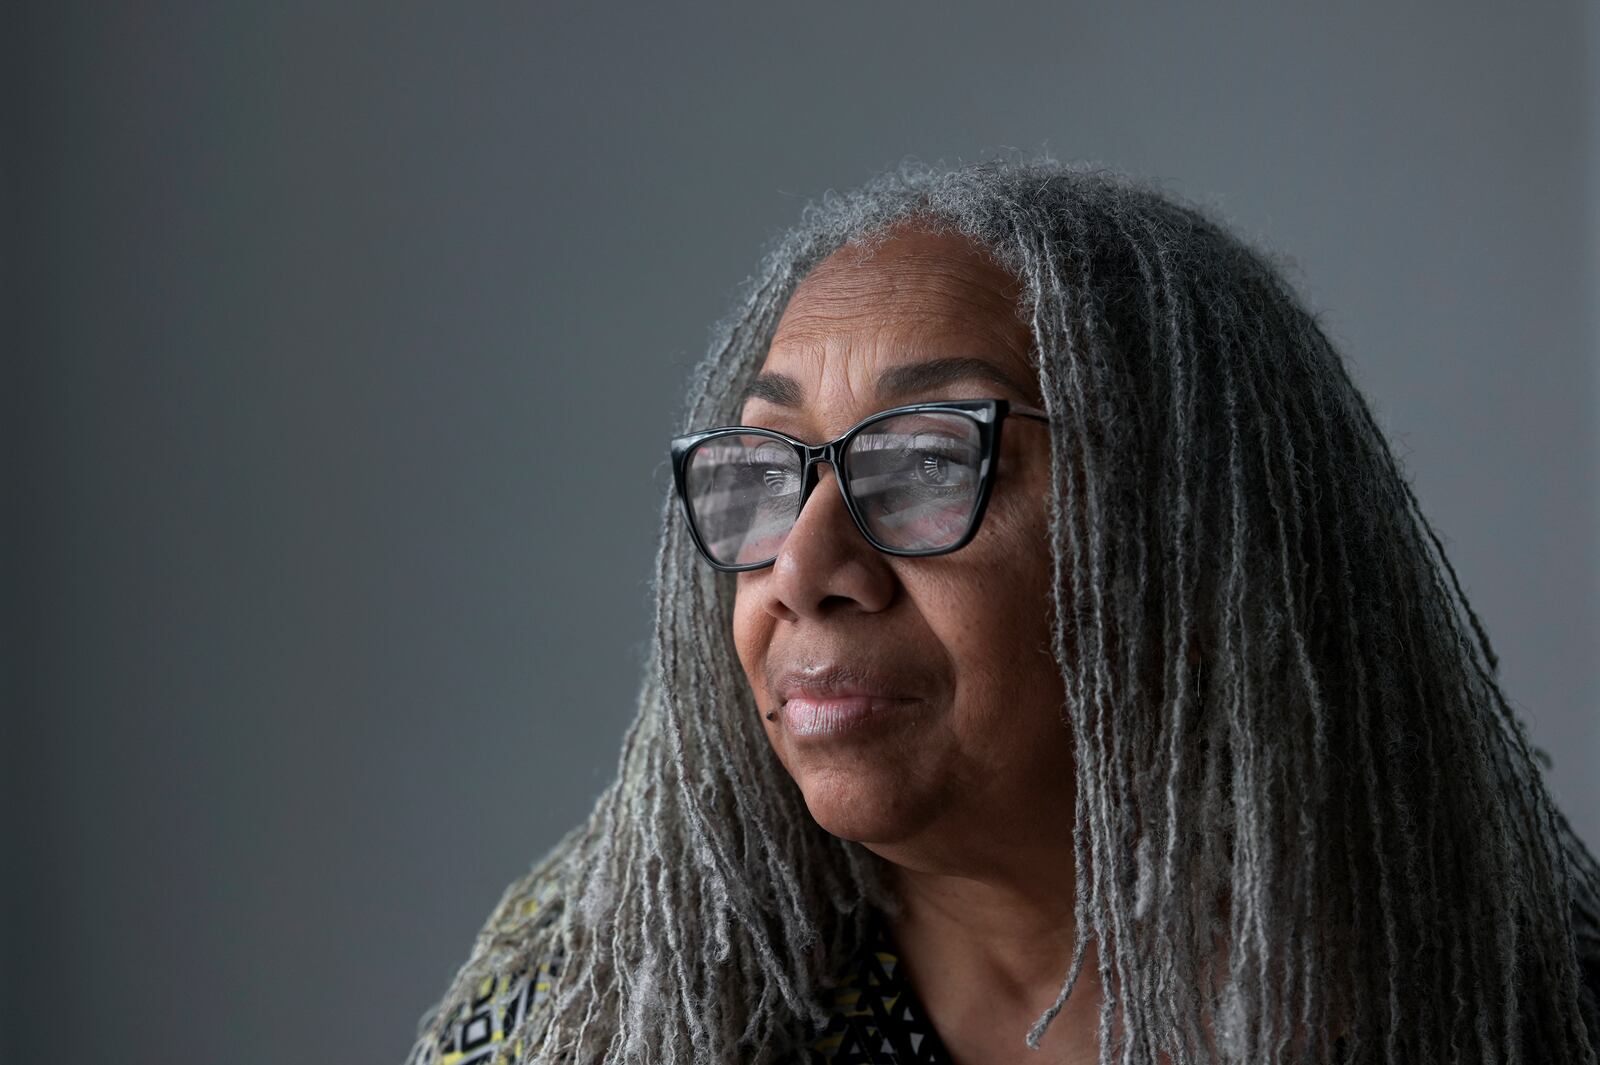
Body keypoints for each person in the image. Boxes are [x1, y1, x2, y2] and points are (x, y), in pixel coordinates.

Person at [403, 156, 1600, 1064]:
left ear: (1183, 541)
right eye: (766, 471)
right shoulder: (598, 999)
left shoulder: (1513, 999)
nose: (804, 566)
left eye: (925, 458)